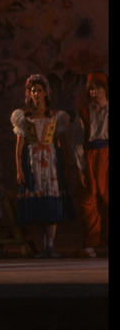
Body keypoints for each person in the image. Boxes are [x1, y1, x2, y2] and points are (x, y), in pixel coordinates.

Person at [10, 74, 74, 258]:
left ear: (46, 93)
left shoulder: (56, 117)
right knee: (38, 201)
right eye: (33, 91)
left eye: (39, 90)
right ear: (29, 94)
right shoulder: (25, 117)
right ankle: (43, 245)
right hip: (33, 163)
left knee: (51, 199)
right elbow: (19, 146)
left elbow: (62, 144)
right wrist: (19, 168)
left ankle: (50, 245)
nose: (36, 94)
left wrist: (67, 166)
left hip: (50, 164)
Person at [74, 72, 108, 258]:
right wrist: (80, 167)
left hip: (108, 156)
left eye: (97, 88)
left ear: (105, 90)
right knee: (89, 200)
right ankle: (90, 244)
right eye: (91, 89)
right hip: (90, 156)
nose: (94, 92)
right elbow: (78, 142)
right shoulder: (84, 113)